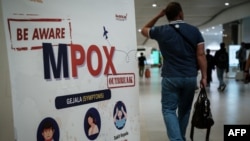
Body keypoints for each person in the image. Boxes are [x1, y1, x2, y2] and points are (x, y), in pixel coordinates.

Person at [141, 2, 207, 141]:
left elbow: (144, 29)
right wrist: (204, 77)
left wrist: (158, 16)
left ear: (167, 16)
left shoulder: (161, 30)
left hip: (170, 77)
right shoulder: (194, 31)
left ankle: (177, 139)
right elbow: (200, 55)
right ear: (181, 13)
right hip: (189, 77)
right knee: (185, 110)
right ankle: (180, 137)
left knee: (169, 110)